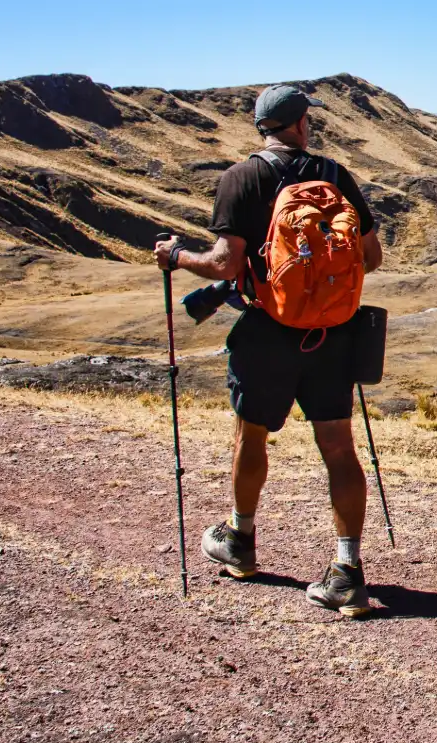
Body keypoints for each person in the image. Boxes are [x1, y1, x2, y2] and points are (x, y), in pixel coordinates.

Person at [153, 84, 384, 616]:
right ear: (301, 124)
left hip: (267, 334)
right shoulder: (333, 175)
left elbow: (224, 264)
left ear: (262, 126)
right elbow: (370, 257)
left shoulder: (241, 177)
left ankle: (241, 541)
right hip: (332, 335)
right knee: (340, 451)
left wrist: (176, 256)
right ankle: (347, 573)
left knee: (249, 436)